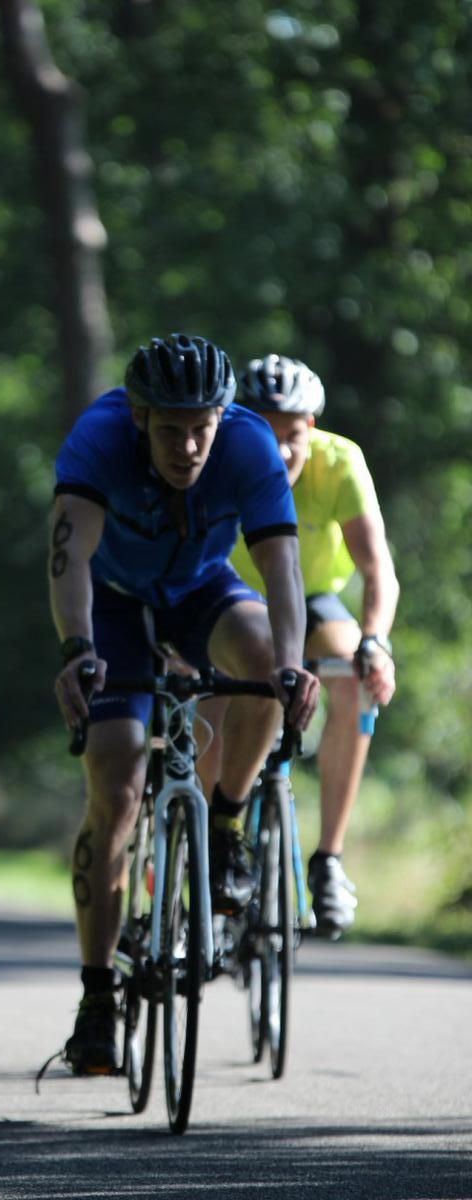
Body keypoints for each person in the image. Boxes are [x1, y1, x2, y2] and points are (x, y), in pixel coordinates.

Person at [49, 333, 320, 1075]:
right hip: (111, 604)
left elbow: (281, 567)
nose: (189, 445)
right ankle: (98, 997)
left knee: (262, 661)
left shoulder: (249, 444)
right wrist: (76, 651)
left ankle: (226, 824)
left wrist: (292, 665)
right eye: (171, 429)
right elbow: (68, 557)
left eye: (202, 427)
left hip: (201, 589)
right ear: (140, 417)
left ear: (222, 417)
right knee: (116, 784)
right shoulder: (101, 436)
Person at [223, 354, 399, 936]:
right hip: (233, 596)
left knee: (356, 679)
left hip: (314, 594)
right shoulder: (221, 458)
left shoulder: (339, 463)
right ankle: (212, 847)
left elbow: (378, 570)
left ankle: (329, 860)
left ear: (313, 428)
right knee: (212, 701)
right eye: (264, 435)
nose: (279, 452)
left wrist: (376, 642)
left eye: (293, 436)